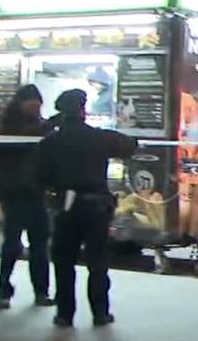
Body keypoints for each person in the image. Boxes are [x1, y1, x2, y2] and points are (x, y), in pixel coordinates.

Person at [37, 89, 136, 327]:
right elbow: (131, 146)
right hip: (97, 208)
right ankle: (100, 313)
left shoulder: (51, 142)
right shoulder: (100, 137)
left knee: (64, 263)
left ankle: (64, 314)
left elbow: (41, 176)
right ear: (83, 110)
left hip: (65, 207)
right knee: (98, 264)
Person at [0, 85, 53, 309]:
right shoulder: (8, 126)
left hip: (35, 193)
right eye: (33, 103)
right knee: (13, 244)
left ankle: (41, 291)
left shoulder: (38, 126)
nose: (36, 107)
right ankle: (3, 289)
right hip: (16, 193)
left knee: (39, 245)